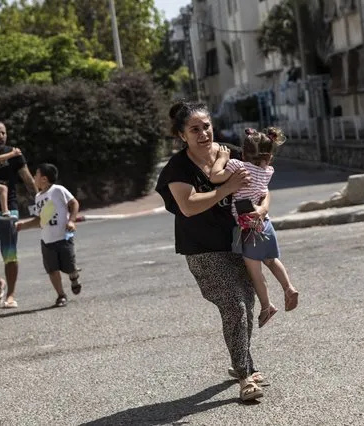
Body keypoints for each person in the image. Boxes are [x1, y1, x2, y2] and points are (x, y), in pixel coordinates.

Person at [155, 100, 270, 402]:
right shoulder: (177, 168)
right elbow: (188, 206)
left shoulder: (230, 153)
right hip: (202, 249)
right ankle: (245, 376)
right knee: (235, 305)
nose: (203, 133)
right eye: (194, 129)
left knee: (246, 300)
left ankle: (243, 363)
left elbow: (261, 183)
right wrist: (225, 189)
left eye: (206, 126)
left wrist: (261, 209)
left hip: (239, 242)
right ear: (182, 136)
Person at [210, 127, 299, 329]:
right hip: (264, 222)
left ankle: (267, 306)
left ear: (242, 153)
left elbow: (215, 177)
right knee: (271, 259)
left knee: (255, 271)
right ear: (268, 156)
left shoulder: (236, 166)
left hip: (247, 226)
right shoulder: (268, 171)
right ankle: (288, 287)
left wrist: (222, 158)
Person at [0, 121, 38, 309]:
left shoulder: (14, 154)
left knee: (10, 254)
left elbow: (27, 179)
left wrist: (38, 202)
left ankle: (11, 294)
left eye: (3, 133)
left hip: (8, 209)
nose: (1, 136)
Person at [16, 164, 82, 308]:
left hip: (63, 237)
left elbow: (74, 203)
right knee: (52, 269)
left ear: (44, 179)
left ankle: (74, 275)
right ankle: (61, 295)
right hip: (47, 240)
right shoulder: (38, 197)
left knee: (69, 265)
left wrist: (71, 220)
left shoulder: (58, 190)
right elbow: (40, 220)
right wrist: (22, 226)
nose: (34, 178)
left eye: (36, 175)